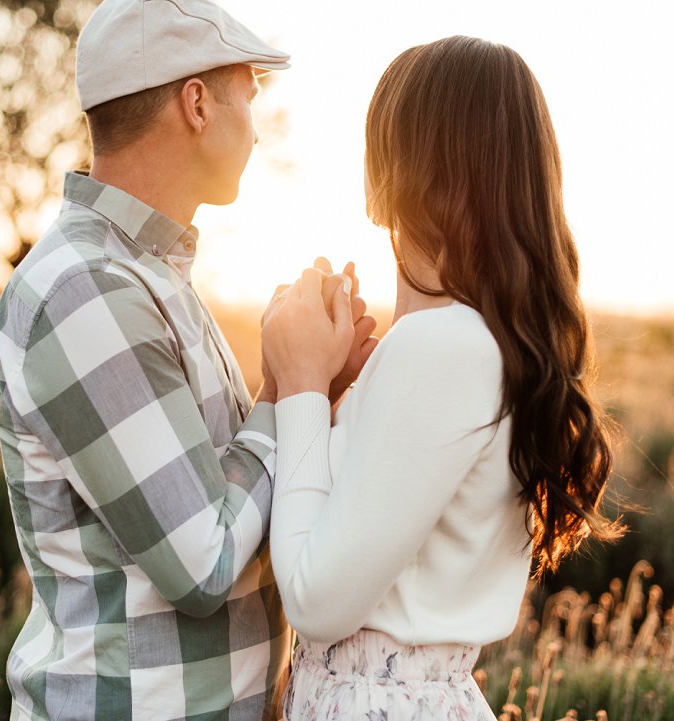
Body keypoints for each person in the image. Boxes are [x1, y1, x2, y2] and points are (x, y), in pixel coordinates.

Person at [0, 1, 375, 719]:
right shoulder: (86, 289)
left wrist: (317, 389)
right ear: (197, 103)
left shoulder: (150, 277)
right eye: (250, 96)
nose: (258, 132)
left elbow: (225, 494)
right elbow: (204, 562)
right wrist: (289, 387)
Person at [262, 36, 623, 720]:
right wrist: (338, 394)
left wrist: (302, 384)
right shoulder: (475, 343)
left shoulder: (442, 346)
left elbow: (316, 601)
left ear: (394, 176)